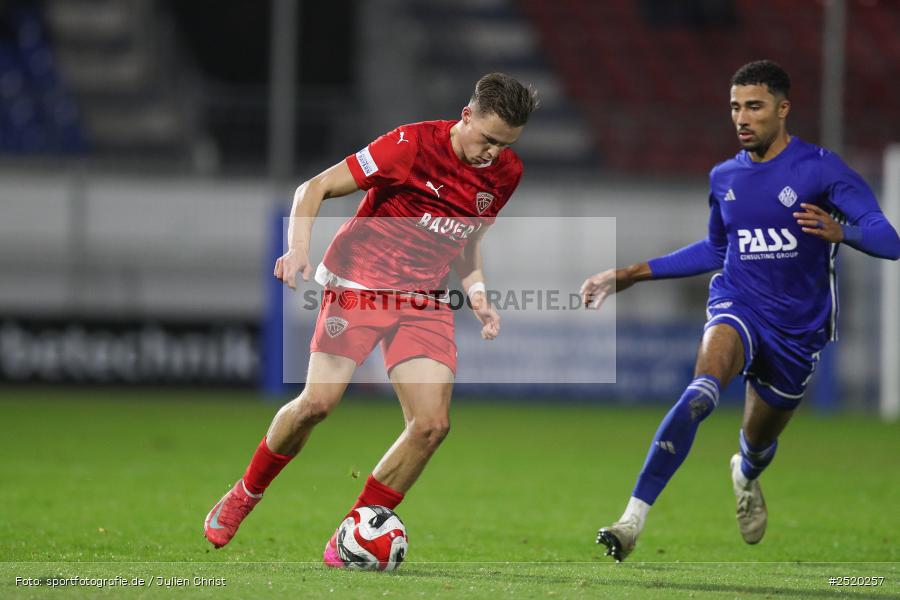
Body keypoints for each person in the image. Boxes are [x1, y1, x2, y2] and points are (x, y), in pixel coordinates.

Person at [203, 73, 538, 566]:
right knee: (317, 405)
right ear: (465, 116)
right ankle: (246, 493)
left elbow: (465, 242)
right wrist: (297, 250)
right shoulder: (409, 145)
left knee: (431, 426)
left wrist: (479, 293)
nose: (492, 153)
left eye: (504, 145)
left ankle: (354, 534)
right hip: (359, 285)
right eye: (487, 139)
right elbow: (312, 188)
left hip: (423, 298)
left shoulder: (505, 173)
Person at [581, 60, 900, 561]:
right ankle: (630, 520)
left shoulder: (820, 169)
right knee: (701, 392)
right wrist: (629, 274)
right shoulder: (725, 176)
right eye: (735, 107)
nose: (742, 117)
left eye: (754, 106)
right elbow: (715, 251)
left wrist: (846, 233)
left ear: (783, 108)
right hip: (738, 306)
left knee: (756, 446)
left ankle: (746, 472)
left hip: (798, 333)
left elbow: (890, 240)